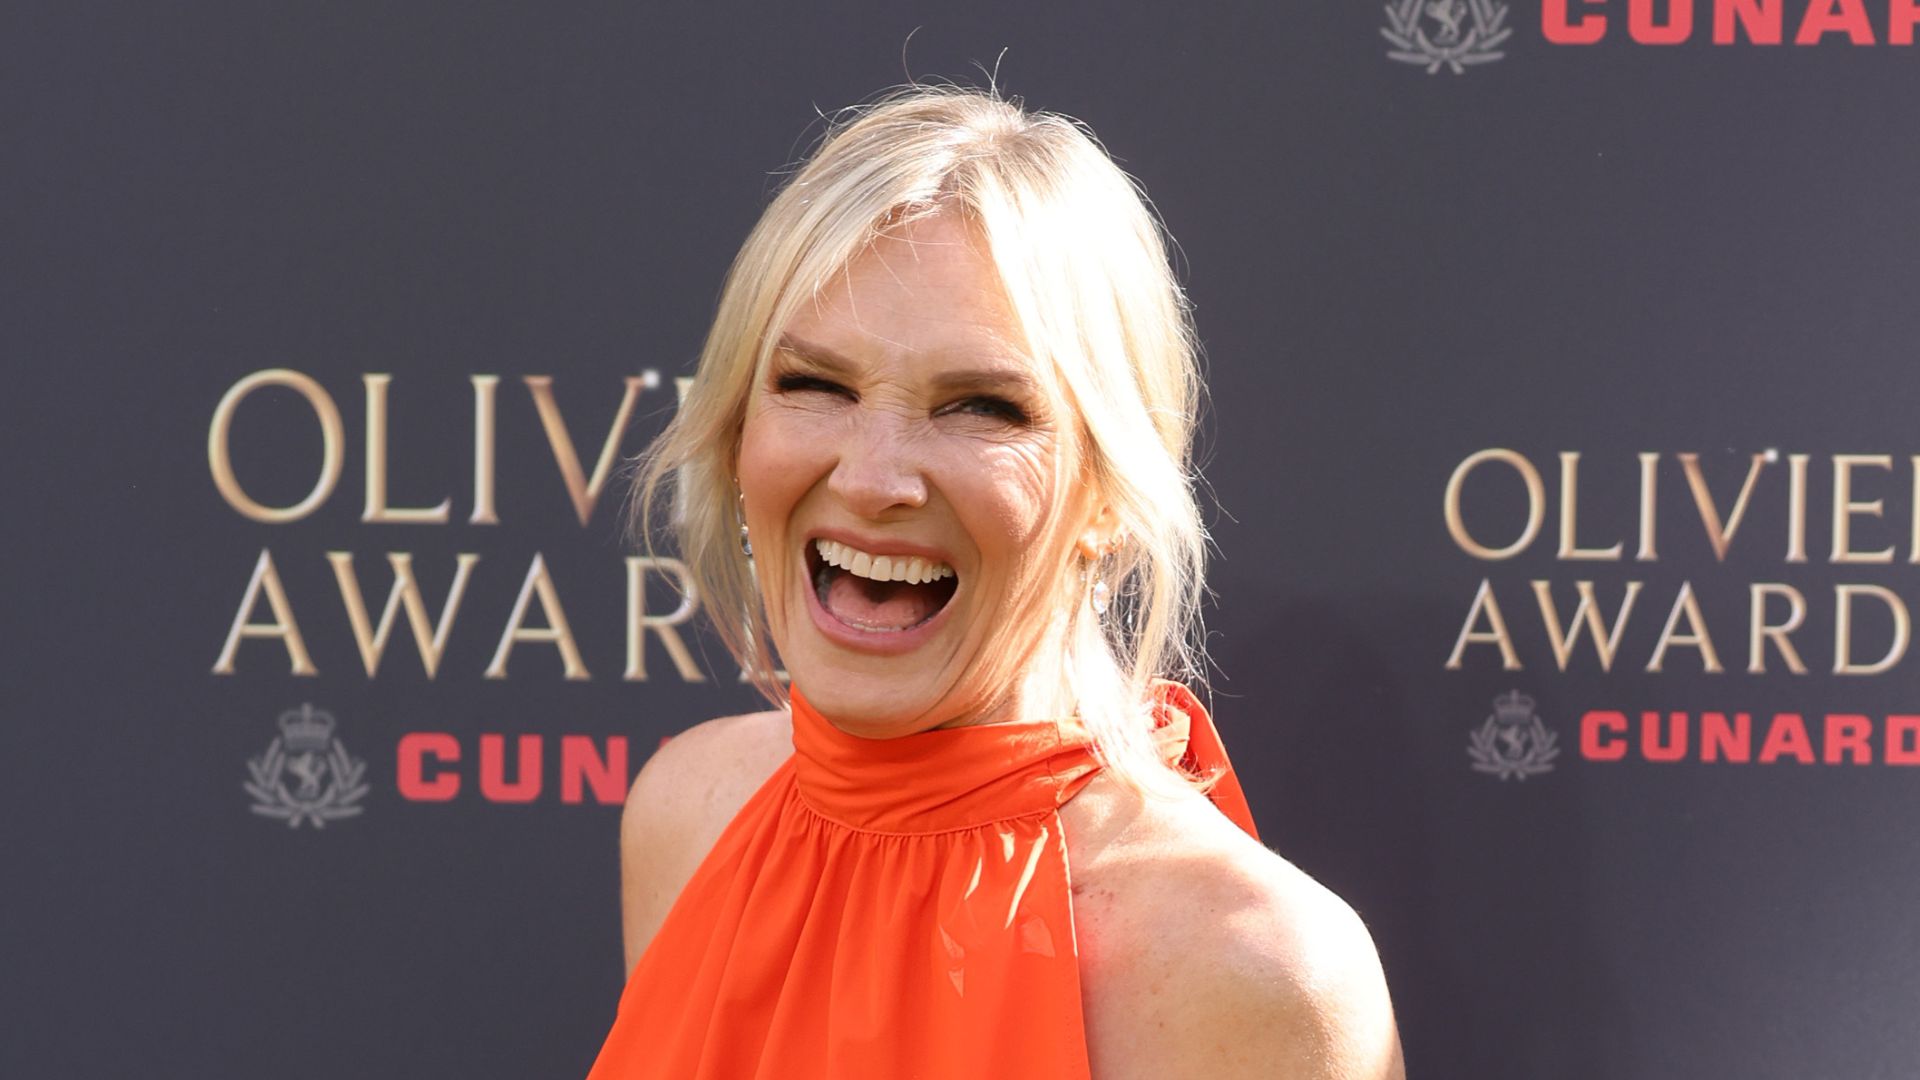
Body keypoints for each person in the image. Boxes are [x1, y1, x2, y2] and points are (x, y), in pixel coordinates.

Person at [589, 85, 1403, 1079]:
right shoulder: (689, 812)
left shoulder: (1251, 969)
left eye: (981, 406)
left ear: (1108, 491)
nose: (873, 477)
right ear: (736, 431)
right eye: (815, 385)